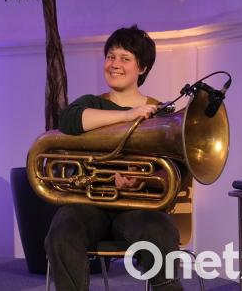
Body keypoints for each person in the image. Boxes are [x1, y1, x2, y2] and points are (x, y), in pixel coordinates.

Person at [44, 25, 183, 291]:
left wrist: (142, 179)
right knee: (62, 231)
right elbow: (69, 120)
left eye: (125, 58)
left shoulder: (161, 113)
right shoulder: (91, 104)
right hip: (89, 206)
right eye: (110, 56)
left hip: (139, 209)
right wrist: (127, 115)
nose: (114, 64)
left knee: (160, 231)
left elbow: (178, 168)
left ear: (142, 68)